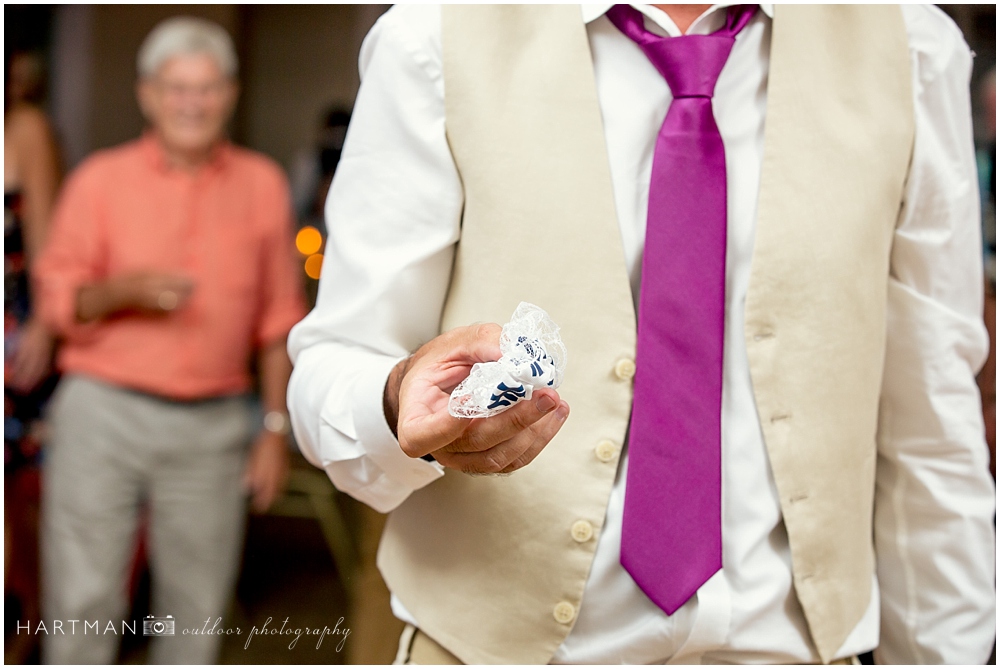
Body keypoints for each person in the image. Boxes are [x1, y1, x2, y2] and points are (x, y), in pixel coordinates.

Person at [287, 4, 995, 665]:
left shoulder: (910, 47)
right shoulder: (435, 34)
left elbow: (932, 427)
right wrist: (393, 399)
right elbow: (335, 365)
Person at [34, 17, 306, 664]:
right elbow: (56, 298)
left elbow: (280, 320)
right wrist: (122, 290)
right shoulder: (100, 180)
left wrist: (273, 428)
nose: (193, 102)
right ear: (148, 94)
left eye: (208, 87)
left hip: (213, 426)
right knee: (81, 600)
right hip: (103, 413)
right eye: (177, 87)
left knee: (196, 611)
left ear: (230, 94)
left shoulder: (263, 185)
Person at [4, 47, 62, 666]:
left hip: (11, 340)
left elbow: (49, 241)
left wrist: (46, 326)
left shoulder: (24, 128)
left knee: (18, 502)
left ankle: (26, 632)